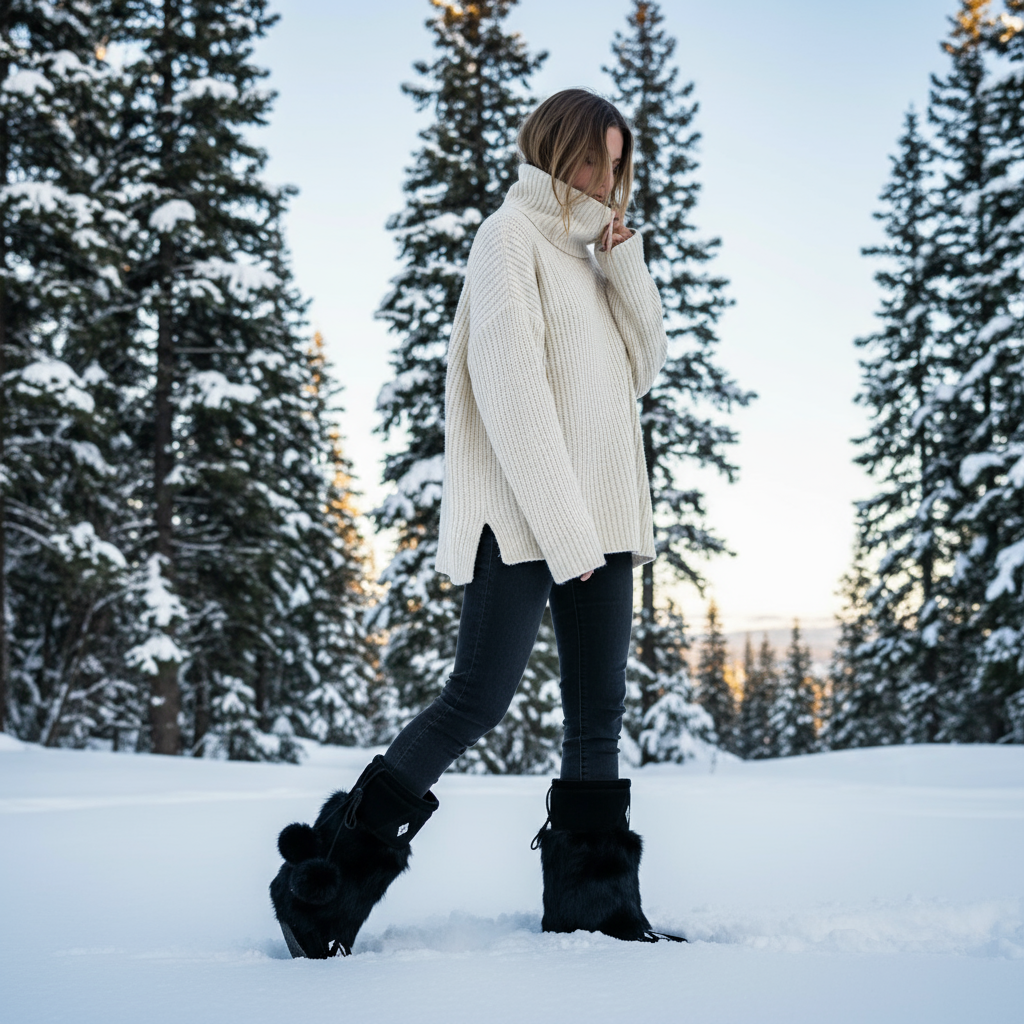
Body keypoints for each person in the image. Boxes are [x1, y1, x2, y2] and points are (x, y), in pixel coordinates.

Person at [269, 88, 673, 960]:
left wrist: (626, 266)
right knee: (476, 702)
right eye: (591, 159)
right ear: (552, 152)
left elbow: (642, 370)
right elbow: (514, 398)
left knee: (596, 716)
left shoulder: (592, 260)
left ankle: (596, 910)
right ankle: (323, 893)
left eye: (617, 162)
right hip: (525, 520)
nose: (606, 178)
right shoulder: (508, 239)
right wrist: (567, 539)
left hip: (601, 520)